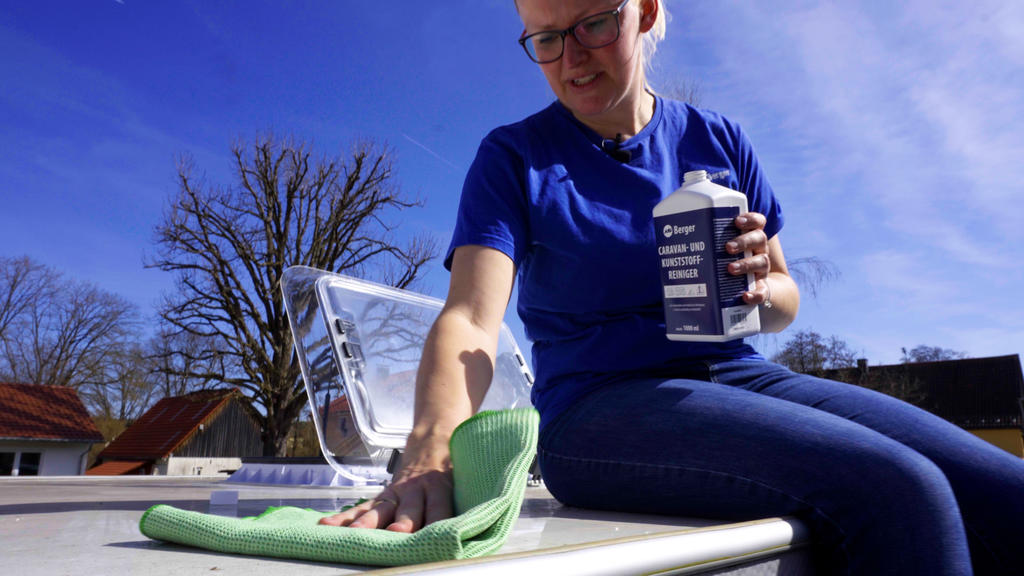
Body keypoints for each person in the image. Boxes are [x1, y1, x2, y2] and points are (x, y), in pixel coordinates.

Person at [320, 1, 1024, 573]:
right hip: (599, 407)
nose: (572, 58)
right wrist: (431, 450)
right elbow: (472, 319)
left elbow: (785, 299)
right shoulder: (515, 157)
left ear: (646, 12)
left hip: (746, 381)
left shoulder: (718, 139)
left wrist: (756, 283)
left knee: (1006, 495)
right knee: (898, 490)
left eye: (595, 24)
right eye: (545, 39)